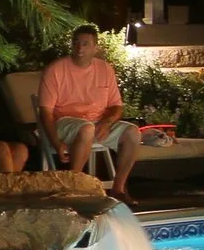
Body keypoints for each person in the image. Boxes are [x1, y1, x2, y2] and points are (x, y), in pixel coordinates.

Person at [39, 24, 142, 200]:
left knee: (133, 132)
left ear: (95, 47)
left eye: (85, 44)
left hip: (97, 123)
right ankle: (74, 185)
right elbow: (45, 111)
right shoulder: (56, 69)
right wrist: (55, 141)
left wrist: (107, 122)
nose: (80, 48)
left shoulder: (105, 69)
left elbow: (117, 106)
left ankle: (119, 189)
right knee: (87, 128)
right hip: (65, 122)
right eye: (76, 43)